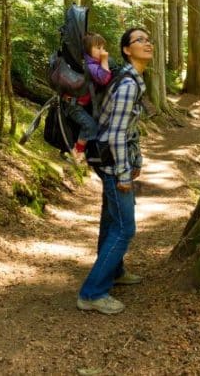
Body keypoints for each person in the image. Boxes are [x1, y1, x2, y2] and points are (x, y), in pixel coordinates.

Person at [76, 27, 152, 315]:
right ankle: (92, 292)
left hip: (108, 158)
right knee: (124, 228)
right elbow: (116, 134)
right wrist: (123, 173)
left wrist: (136, 161)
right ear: (126, 50)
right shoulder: (128, 84)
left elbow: (128, 131)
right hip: (111, 161)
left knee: (111, 220)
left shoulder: (130, 78)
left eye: (148, 39)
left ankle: (115, 271)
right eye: (139, 40)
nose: (148, 43)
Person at [66, 33, 112, 161]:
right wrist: (104, 60)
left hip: (77, 104)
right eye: (98, 48)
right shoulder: (90, 65)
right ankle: (77, 152)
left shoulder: (90, 63)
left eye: (103, 47)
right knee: (90, 126)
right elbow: (104, 78)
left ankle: (78, 150)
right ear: (88, 49)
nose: (102, 51)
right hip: (73, 105)